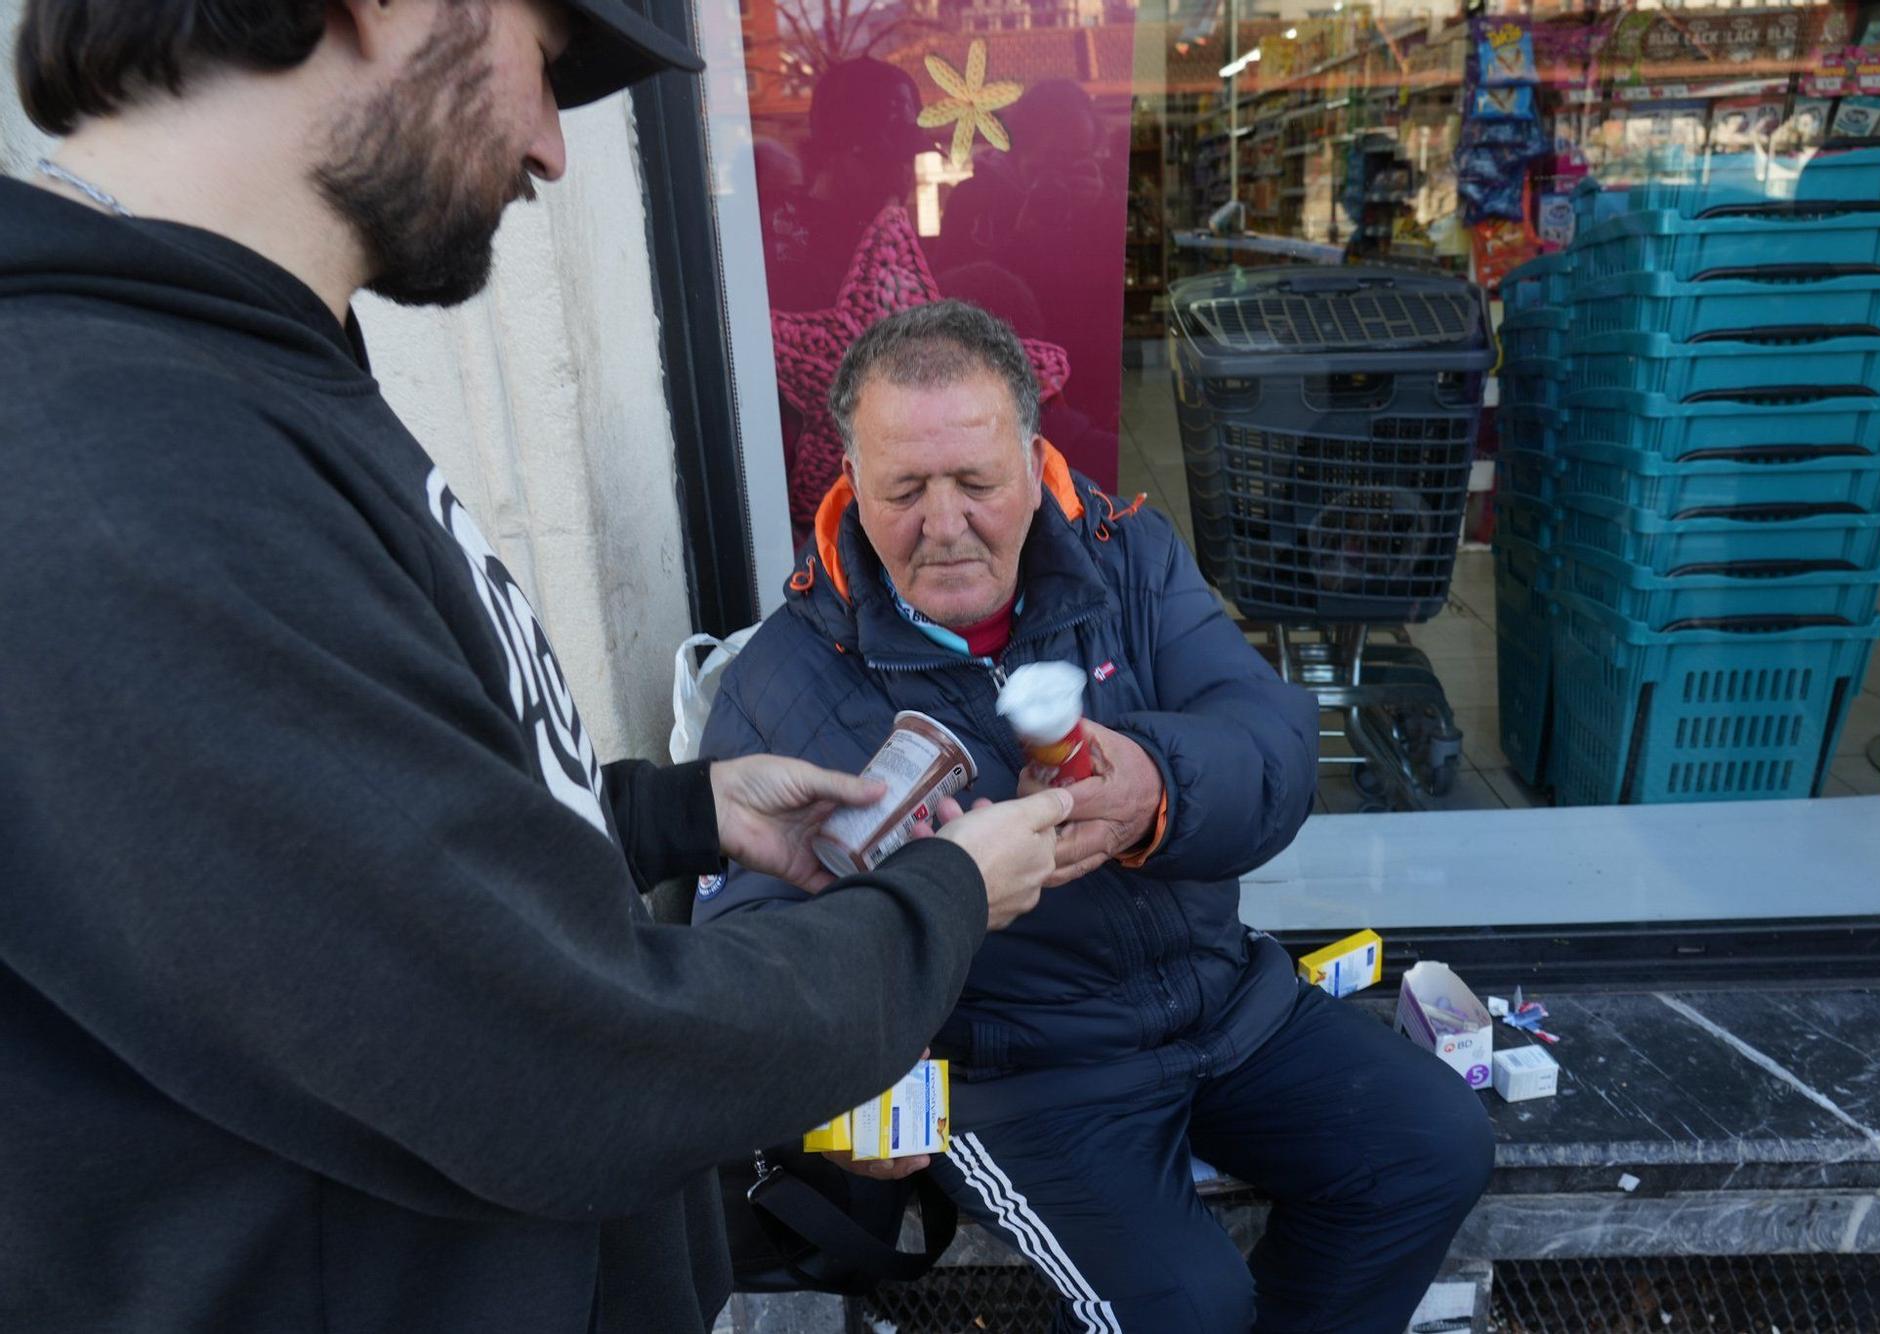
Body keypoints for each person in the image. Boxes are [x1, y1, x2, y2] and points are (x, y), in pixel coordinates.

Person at [0, 4, 1075, 1332]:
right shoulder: (111, 466)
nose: (552, 150)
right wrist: (944, 895)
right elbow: (564, 1062)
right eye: (551, 64)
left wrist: (673, 812)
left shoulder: (237, 371)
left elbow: (338, 878)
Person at [698, 300, 1496, 1333]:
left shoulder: (1130, 559)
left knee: (1430, 1146)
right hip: (1018, 1070)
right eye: (903, 490)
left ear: (1031, 466)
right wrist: (849, 1059)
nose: (943, 525)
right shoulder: (782, 681)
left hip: (1225, 996)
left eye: (976, 483)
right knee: (1188, 1311)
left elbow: (1274, 742)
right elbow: (744, 954)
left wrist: (1156, 786)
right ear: (849, 479)